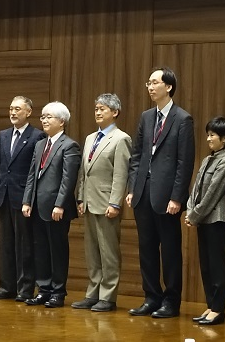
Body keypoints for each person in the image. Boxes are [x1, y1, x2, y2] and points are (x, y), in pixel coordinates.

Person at [127, 67, 195, 319]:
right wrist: (133, 187)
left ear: (168, 86)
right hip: (143, 193)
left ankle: (171, 301)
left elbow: (184, 162)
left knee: (170, 250)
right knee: (146, 248)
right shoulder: (146, 117)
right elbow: (137, 156)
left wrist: (177, 197)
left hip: (167, 197)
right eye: (148, 82)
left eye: (154, 82)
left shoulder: (183, 119)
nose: (150, 87)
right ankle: (151, 297)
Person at [73, 93, 132, 313]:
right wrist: (80, 197)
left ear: (114, 112)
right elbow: (83, 172)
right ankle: (93, 293)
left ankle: (108, 296)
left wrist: (115, 203)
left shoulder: (121, 138)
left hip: (107, 202)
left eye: (103, 109)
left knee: (108, 252)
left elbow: (121, 174)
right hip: (89, 201)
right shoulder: (90, 138)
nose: (98, 112)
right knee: (92, 251)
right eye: (96, 108)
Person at [22, 101, 81, 309]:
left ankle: (58, 292)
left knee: (57, 250)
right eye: (43, 117)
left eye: (49, 117)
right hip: (37, 206)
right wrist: (27, 200)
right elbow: (32, 176)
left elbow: (68, 179)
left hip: (57, 209)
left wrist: (60, 205)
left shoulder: (69, 145)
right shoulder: (40, 145)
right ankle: (43, 289)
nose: (44, 120)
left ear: (62, 121)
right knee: (40, 249)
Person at [0, 96, 45, 302]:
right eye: (11, 108)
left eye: (17, 109)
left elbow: (35, 170)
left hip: (23, 198)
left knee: (25, 244)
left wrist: (29, 198)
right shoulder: (3, 135)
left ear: (28, 112)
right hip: (3, 196)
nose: (12, 112)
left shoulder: (37, 136)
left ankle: (25, 288)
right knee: (4, 244)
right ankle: (5, 286)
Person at [185, 116, 225, 326]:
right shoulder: (208, 160)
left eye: (212, 135)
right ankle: (210, 305)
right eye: (208, 134)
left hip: (216, 220)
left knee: (216, 266)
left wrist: (194, 215)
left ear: (224, 139)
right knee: (205, 266)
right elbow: (196, 189)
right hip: (203, 219)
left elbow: (212, 194)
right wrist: (190, 211)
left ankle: (218, 309)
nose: (208, 138)